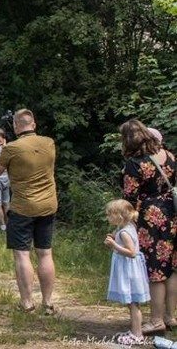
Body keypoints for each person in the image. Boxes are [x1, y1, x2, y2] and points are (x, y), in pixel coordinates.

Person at [0, 109, 57, 314]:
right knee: (45, 253)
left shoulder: (12, 148)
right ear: (34, 125)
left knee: (22, 254)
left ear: (15, 126)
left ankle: (27, 302)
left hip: (23, 207)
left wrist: (3, 149)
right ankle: (48, 302)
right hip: (48, 205)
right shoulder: (49, 143)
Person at [120, 119, 177, 336]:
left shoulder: (135, 163)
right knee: (171, 267)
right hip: (172, 214)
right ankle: (170, 316)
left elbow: (129, 197)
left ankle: (155, 321)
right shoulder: (170, 156)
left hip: (149, 217)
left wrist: (126, 222)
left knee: (155, 269)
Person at [104, 199, 151, 345]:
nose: (108, 218)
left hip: (129, 272)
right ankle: (134, 331)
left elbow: (131, 252)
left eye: (110, 215)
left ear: (119, 216)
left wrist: (114, 245)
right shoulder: (127, 227)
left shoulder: (125, 232)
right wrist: (114, 239)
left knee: (133, 303)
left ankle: (137, 334)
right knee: (131, 303)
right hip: (128, 270)